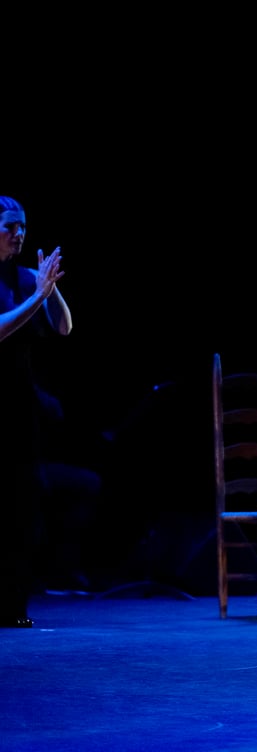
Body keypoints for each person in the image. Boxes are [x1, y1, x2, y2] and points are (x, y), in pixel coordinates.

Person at [0, 195, 73, 628]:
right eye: (10, 227)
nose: (19, 234)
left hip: (18, 407)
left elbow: (64, 327)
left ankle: (12, 606)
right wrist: (36, 297)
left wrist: (51, 288)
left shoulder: (28, 278)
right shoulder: (26, 288)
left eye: (23, 227)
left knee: (22, 507)